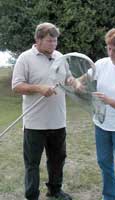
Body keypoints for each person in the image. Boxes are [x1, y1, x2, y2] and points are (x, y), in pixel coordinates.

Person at [73, 28, 115, 200]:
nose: (111, 53)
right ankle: (108, 197)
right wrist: (77, 84)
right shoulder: (101, 64)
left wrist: (108, 100)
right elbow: (79, 80)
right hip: (101, 124)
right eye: (108, 48)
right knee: (104, 164)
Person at [12, 22, 72, 200]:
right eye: (49, 41)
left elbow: (68, 79)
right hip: (34, 123)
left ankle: (55, 190)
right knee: (32, 163)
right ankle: (31, 195)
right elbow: (16, 86)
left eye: (55, 41)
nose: (54, 45)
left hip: (58, 120)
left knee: (57, 160)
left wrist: (75, 82)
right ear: (37, 39)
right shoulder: (25, 58)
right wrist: (39, 88)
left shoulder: (60, 56)